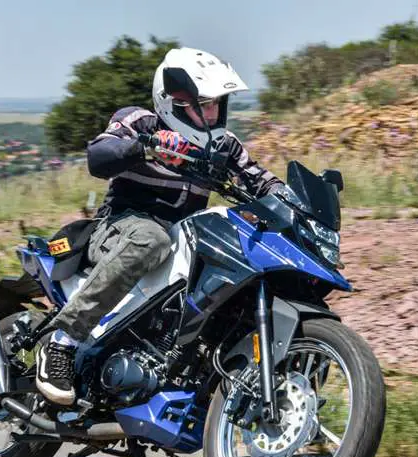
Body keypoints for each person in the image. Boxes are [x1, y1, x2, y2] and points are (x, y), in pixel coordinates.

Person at [36, 47, 284, 405]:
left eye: (216, 104)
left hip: (182, 241)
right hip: (119, 229)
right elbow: (98, 157)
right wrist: (144, 148)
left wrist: (295, 202)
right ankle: (62, 342)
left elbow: (263, 182)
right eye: (203, 104)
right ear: (173, 104)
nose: (212, 113)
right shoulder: (140, 122)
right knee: (152, 238)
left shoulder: (224, 146)